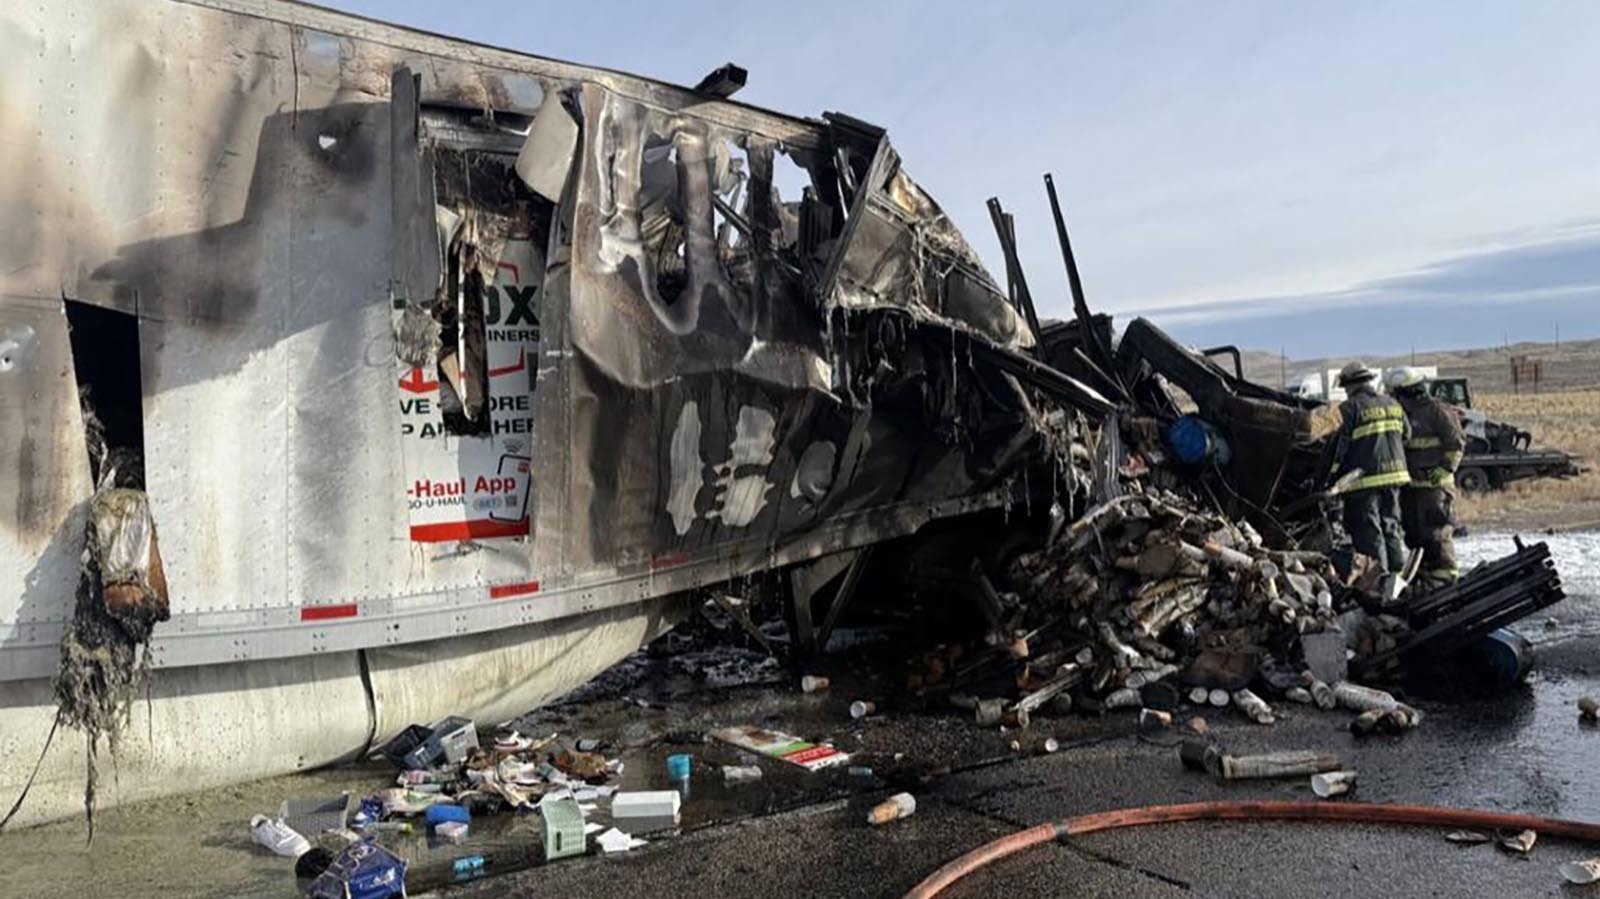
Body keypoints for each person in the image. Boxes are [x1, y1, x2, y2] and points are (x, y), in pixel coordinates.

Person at [1385, 366, 1466, 587]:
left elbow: (1456, 442)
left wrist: (1446, 468)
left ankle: (1445, 576)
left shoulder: (1437, 410)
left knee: (1436, 532)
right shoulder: (1403, 413)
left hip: (1435, 486)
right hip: (1411, 486)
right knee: (1414, 532)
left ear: (1407, 391)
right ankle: (1423, 574)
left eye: (1396, 393)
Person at [1328, 362, 1411, 572]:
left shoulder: (1349, 408)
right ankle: (1396, 574)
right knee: (1391, 526)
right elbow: (1407, 436)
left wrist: (1330, 477)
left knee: (1369, 531)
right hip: (1395, 477)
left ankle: (1378, 579)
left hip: (1364, 481)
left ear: (1350, 385)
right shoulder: (1393, 404)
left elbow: (1338, 449)